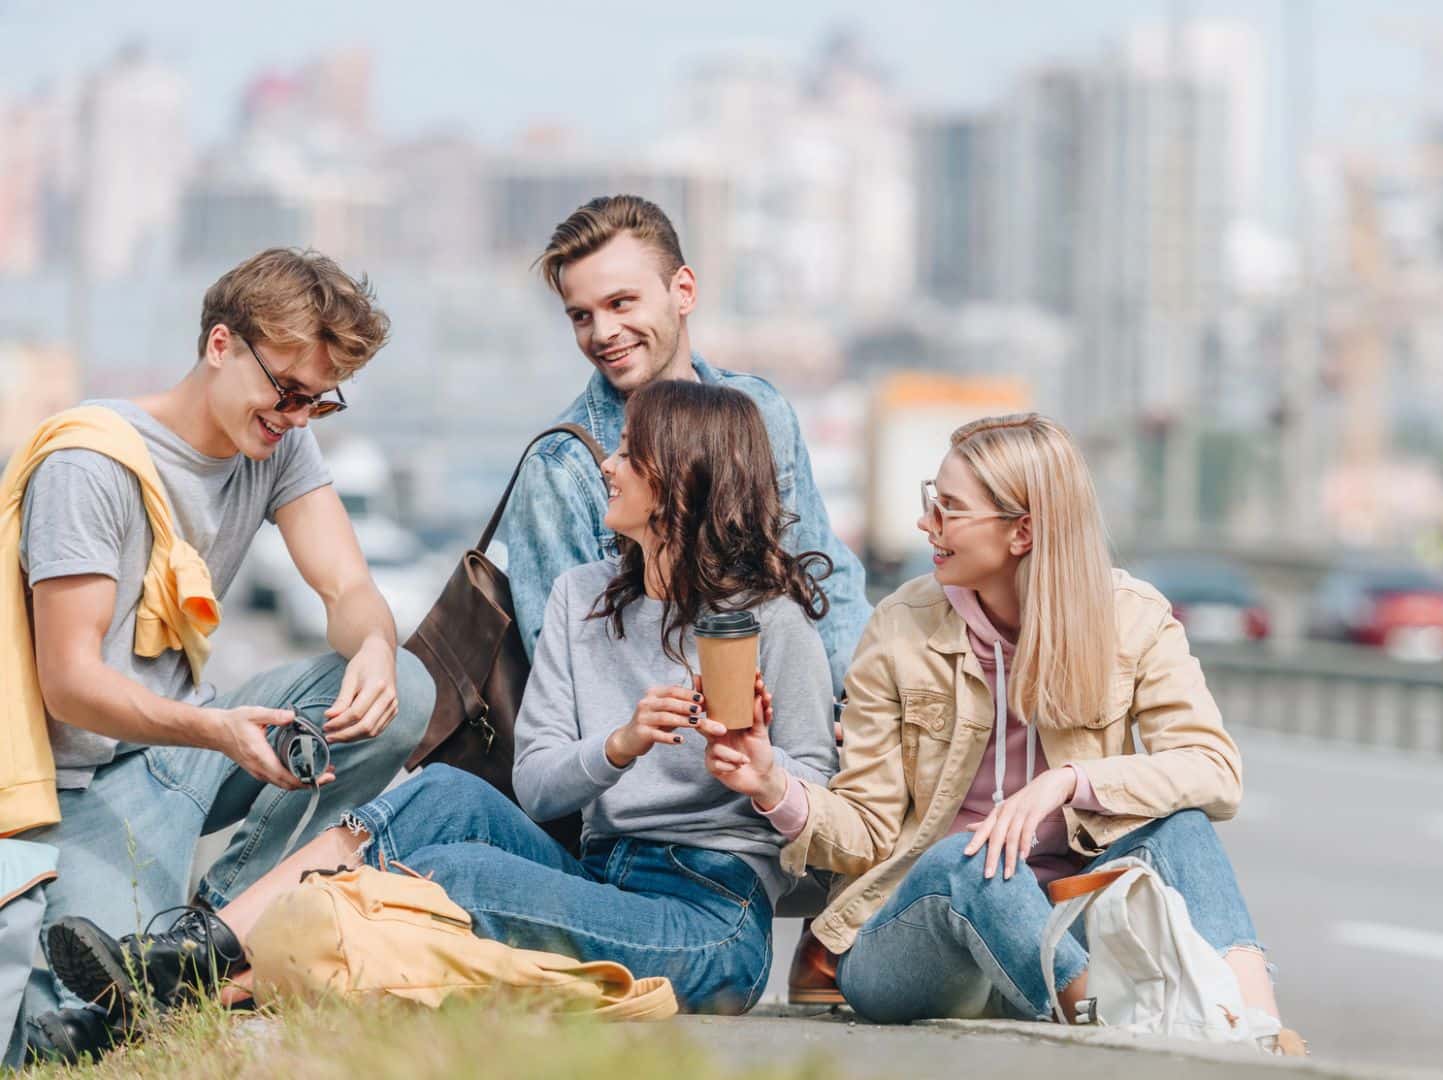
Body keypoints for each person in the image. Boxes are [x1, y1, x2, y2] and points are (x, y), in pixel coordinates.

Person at [43, 380, 839, 1027]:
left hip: (711, 915)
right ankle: (202, 946)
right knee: (440, 795)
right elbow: (538, 788)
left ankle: (177, 994)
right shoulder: (579, 597)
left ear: (685, 476)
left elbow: (819, 804)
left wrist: (762, 776)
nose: (607, 463)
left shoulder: (769, 622)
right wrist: (621, 744)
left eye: (631, 453)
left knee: (452, 873)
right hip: (598, 874)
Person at [702, 413, 1307, 1054]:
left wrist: (1068, 783)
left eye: (949, 511)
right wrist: (772, 784)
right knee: (975, 860)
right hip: (915, 936)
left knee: (1180, 826)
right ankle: (1108, 1029)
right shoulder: (901, 627)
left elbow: (1214, 768)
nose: (925, 525)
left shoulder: (1132, 620)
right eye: (931, 503)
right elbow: (867, 831)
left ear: (1022, 531)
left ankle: (1257, 1033)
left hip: (1065, 919)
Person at [11, 249, 435, 1063]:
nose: (297, 417)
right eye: (286, 391)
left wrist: (377, 648)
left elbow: (347, 588)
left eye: (320, 401)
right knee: (93, 1019)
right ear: (219, 345)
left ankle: (207, 934)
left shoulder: (276, 446)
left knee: (406, 691)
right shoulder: (89, 465)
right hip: (81, 782)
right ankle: (174, 959)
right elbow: (69, 687)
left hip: (183, 749)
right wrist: (216, 732)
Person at [498, 194, 869, 691]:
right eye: (580, 316)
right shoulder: (559, 469)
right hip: (653, 748)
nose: (603, 332)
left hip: (786, 738)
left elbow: (825, 583)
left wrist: (861, 714)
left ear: (684, 291)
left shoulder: (762, 412)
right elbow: (564, 670)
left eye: (620, 302)